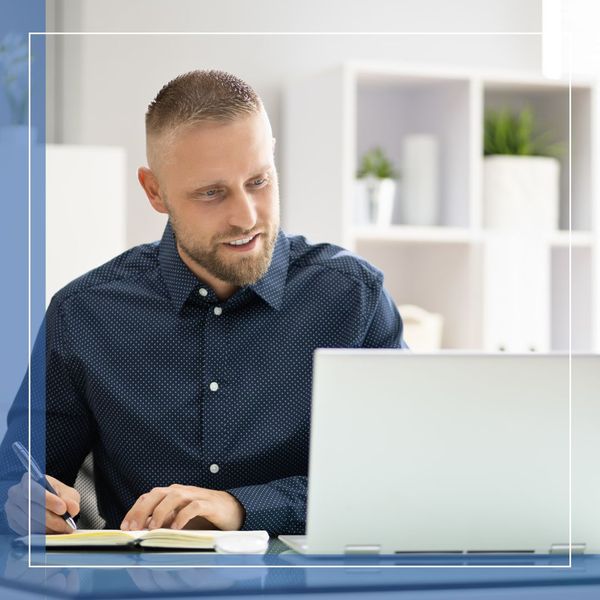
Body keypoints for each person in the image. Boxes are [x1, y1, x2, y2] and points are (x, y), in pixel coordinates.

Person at [1, 70, 406, 536]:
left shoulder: (352, 296)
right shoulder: (83, 314)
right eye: (212, 193)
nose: (246, 217)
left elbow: (395, 480)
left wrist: (242, 508)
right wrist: (22, 505)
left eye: (259, 181)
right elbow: (17, 478)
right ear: (155, 191)